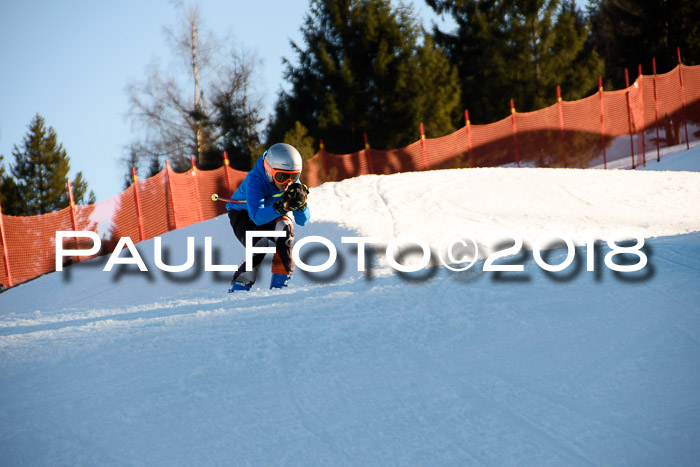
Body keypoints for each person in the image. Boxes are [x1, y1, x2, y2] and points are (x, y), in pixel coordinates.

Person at [225, 143, 310, 292]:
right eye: (282, 176)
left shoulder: (292, 183)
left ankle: (279, 288)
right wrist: (283, 207)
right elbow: (257, 217)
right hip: (243, 214)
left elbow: (303, 221)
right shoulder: (255, 179)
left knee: (285, 230)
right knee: (259, 243)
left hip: (269, 212)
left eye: (294, 175)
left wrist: (301, 206)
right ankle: (239, 287)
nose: (288, 182)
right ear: (270, 172)